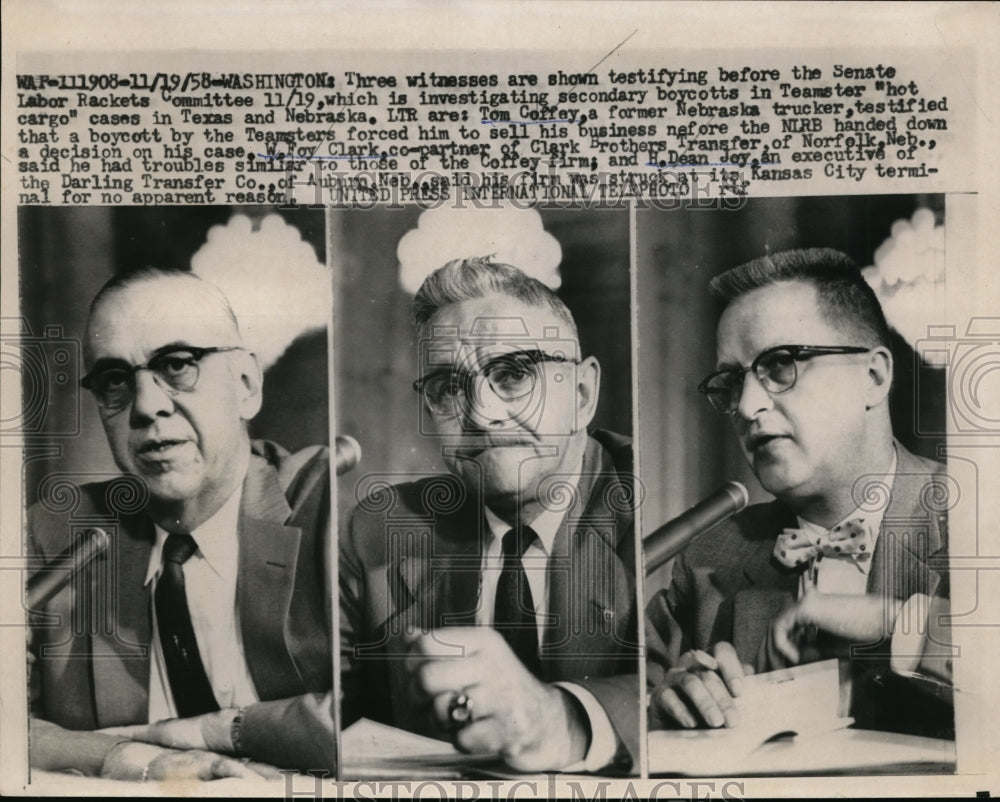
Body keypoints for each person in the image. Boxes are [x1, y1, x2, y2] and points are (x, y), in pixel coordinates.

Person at [27, 268, 335, 781]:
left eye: (176, 365)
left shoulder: (333, 509)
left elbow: (387, 712)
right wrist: (127, 758)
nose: (147, 407)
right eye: (114, 381)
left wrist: (215, 731)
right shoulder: (54, 533)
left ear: (246, 386)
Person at [340, 257, 639, 772]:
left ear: (583, 394)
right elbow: (323, 701)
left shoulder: (660, 511)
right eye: (447, 387)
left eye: (513, 373)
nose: (481, 412)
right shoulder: (376, 530)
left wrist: (563, 718)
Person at [646, 248, 953, 738]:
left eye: (781, 365)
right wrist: (672, 703)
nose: (747, 406)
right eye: (730, 383)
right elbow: (624, 704)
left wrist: (901, 624)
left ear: (873, 377)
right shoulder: (707, 560)